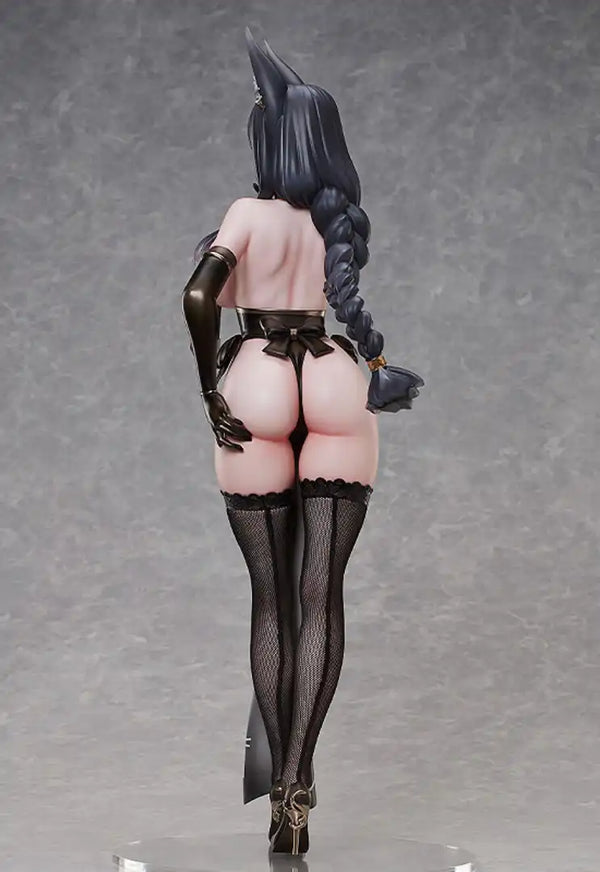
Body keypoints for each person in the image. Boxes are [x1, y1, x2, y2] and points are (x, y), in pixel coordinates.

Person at [181, 28, 424, 855]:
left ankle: (281, 779)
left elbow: (199, 294)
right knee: (322, 594)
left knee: (271, 599)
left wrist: (207, 386)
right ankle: (295, 782)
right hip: (333, 377)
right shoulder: (339, 220)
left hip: (256, 376)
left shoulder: (247, 215)